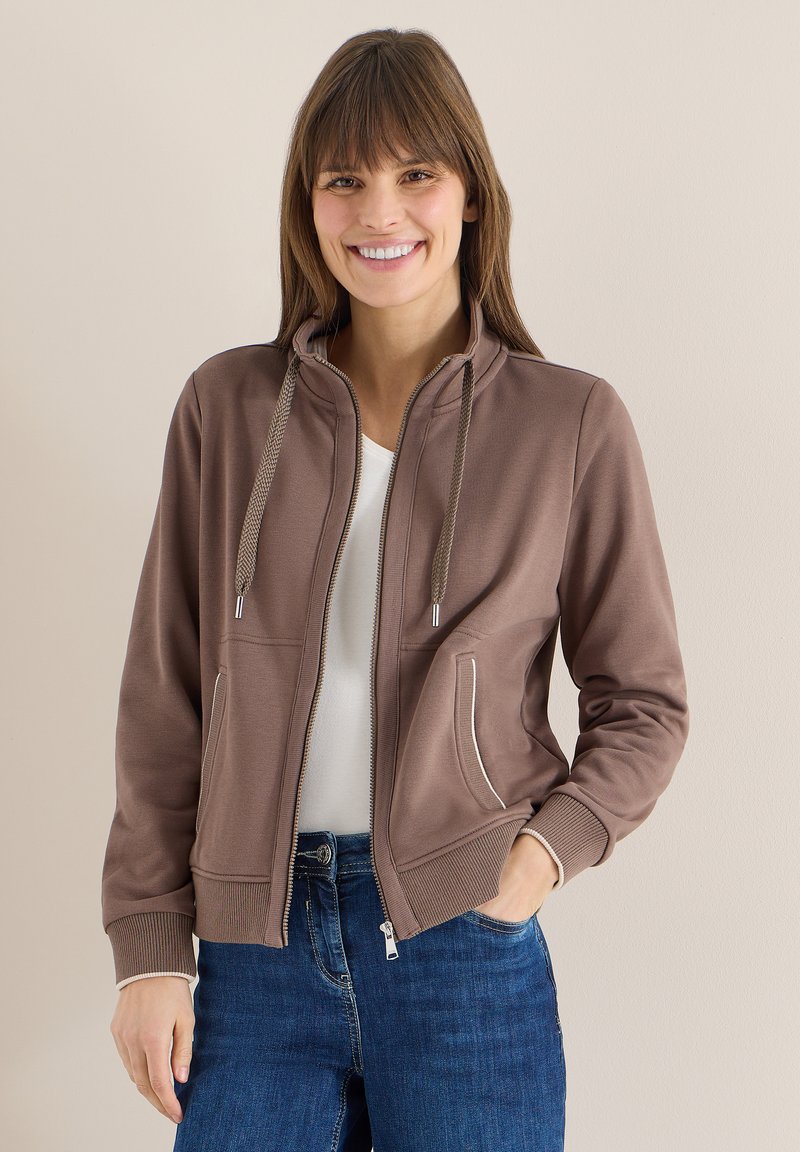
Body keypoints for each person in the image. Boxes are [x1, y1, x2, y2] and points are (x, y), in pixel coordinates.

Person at [101, 26, 689, 1152]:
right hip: (252, 955)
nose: (380, 211)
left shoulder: (568, 422)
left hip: (462, 946)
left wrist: (534, 864)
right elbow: (165, 696)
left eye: (415, 172)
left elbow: (644, 702)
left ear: (470, 194)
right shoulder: (227, 409)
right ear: (307, 205)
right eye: (344, 179)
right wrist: (149, 947)